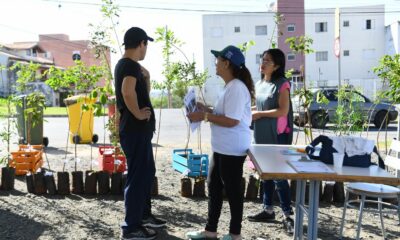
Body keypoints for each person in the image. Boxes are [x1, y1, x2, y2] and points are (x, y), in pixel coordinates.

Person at [185, 45, 255, 240]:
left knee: (232, 190)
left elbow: (232, 120)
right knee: (214, 185)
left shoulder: (237, 88)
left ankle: (235, 234)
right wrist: (205, 108)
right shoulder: (230, 86)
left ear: (227, 63)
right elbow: (224, 114)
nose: (215, 63)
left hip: (232, 149)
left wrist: (205, 115)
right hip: (222, 147)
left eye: (218, 60)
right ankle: (210, 230)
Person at [115, 26, 166, 240]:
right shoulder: (129, 65)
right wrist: (137, 113)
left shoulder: (129, 66)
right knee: (138, 177)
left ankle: (143, 216)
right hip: (135, 131)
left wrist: (146, 77)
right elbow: (127, 92)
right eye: (146, 45)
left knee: (146, 172)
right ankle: (131, 227)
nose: (146, 50)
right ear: (141, 44)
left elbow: (137, 91)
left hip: (136, 131)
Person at [247, 48, 295, 234]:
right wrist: (248, 110)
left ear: (277, 66)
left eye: (267, 60)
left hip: (277, 136)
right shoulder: (259, 83)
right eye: (263, 59)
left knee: (279, 176)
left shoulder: (282, 84)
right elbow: (258, 105)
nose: (263, 62)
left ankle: (287, 214)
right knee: (264, 173)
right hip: (260, 134)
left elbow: (282, 111)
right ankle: (268, 209)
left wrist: (258, 114)